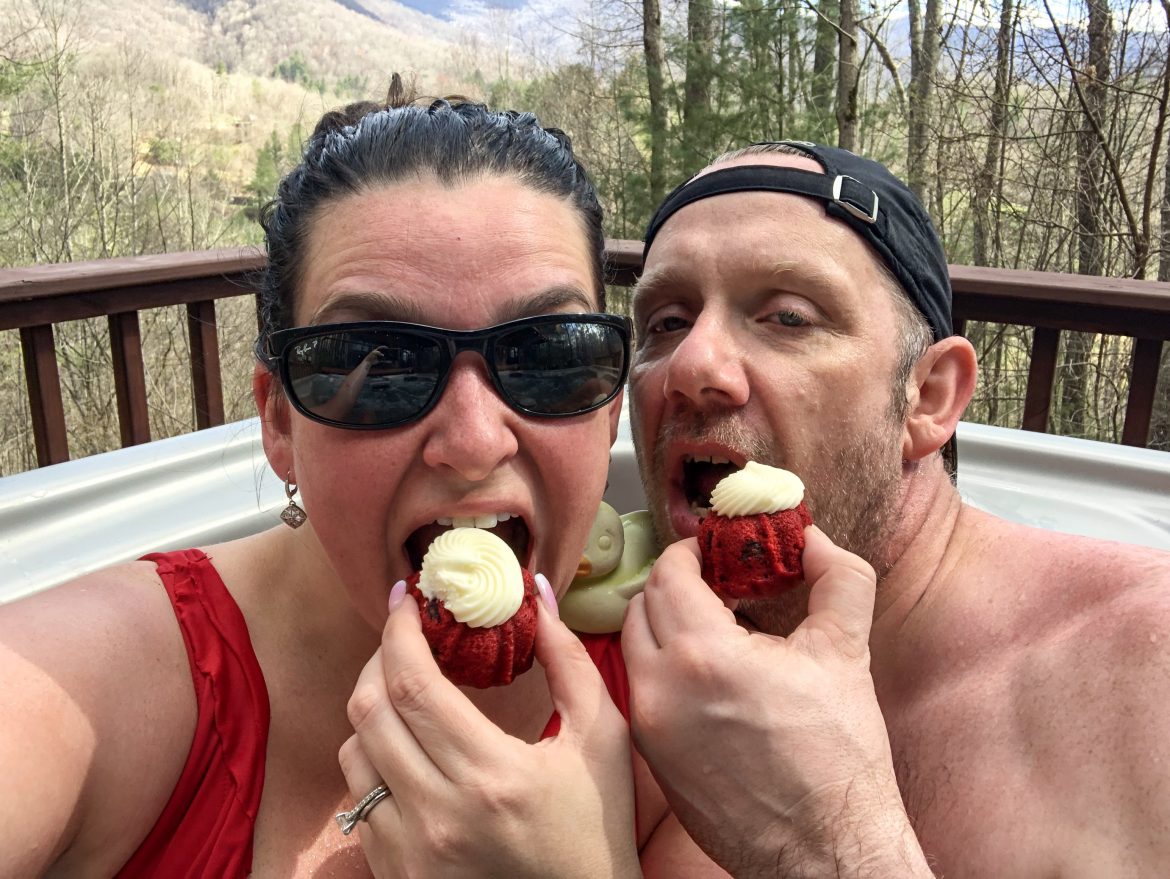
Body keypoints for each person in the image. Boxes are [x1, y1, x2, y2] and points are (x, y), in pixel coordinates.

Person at [0, 92, 722, 877]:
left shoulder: (679, 711)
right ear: (279, 421)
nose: (475, 443)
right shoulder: (93, 687)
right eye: (380, 363)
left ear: (609, 399)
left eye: (547, 354)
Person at [620, 140, 1170, 877]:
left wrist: (829, 845)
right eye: (665, 322)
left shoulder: (1143, 672)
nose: (691, 366)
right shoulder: (627, 673)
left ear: (930, 397)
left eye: (787, 316)